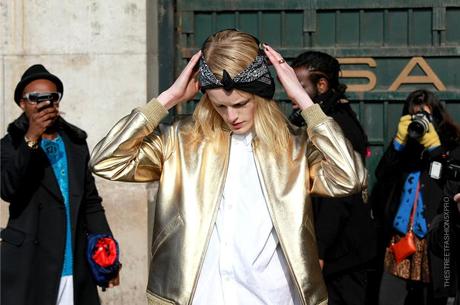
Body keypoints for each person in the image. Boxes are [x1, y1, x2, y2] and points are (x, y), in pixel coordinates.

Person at [90, 29, 367, 305]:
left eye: (240, 103)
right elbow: (106, 161)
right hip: (197, 297)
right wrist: (168, 99)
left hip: (273, 298)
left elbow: (350, 177)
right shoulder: (181, 139)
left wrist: (305, 103)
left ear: (260, 94)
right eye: (220, 106)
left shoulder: (293, 145)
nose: (231, 116)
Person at [0, 64, 120, 305]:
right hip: (29, 262)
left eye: (52, 98)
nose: (45, 104)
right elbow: (7, 189)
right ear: (22, 103)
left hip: (73, 259)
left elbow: (91, 202)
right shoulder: (9, 145)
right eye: (36, 98)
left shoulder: (75, 144)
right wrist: (31, 138)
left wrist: (108, 256)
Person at [290, 51, 377, 305]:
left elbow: (337, 198)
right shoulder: (324, 120)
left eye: (300, 86)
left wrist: (320, 249)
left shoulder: (336, 126)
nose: (293, 95)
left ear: (322, 85)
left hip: (342, 254)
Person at [370, 89, 460, 305]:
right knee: (397, 294)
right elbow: (382, 175)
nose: (420, 121)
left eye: (425, 116)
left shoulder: (450, 143)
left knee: (435, 292)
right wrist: (398, 143)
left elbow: (448, 181)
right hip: (403, 231)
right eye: (414, 116)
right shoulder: (404, 145)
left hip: (435, 228)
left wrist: (435, 149)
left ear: (436, 115)